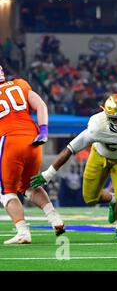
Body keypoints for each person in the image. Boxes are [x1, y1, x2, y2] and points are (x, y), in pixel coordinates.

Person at [30, 94, 117, 243]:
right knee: (90, 199)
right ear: (106, 115)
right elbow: (70, 149)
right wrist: (48, 174)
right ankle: (112, 200)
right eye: (116, 118)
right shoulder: (97, 126)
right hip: (99, 156)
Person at [0, 64, 64, 244]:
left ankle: (22, 232)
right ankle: (54, 219)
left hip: (9, 141)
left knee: (7, 192)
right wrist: (43, 130)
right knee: (28, 186)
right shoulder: (20, 84)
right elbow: (41, 105)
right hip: (33, 138)